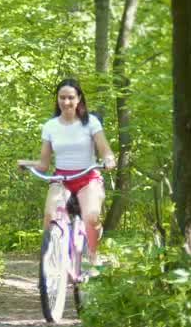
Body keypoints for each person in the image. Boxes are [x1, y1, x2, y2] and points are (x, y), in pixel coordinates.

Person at [17, 78, 117, 278]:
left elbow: (106, 151)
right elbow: (44, 164)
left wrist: (108, 160)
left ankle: (94, 256)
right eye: (62, 97)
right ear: (57, 99)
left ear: (79, 99)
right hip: (61, 179)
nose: (66, 102)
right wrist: (27, 164)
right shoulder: (51, 126)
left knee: (91, 216)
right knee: (49, 214)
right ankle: (49, 262)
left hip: (87, 177)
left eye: (71, 97)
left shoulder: (91, 123)